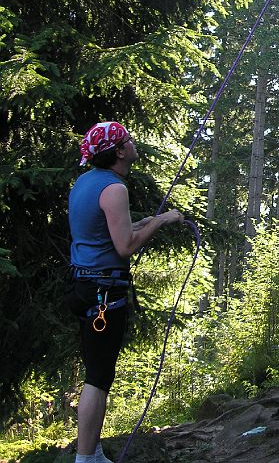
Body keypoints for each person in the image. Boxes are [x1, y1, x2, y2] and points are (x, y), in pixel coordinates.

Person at [65, 121, 183, 463]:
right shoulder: (115, 189)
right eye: (128, 139)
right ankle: (86, 458)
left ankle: (92, 451)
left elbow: (109, 231)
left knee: (97, 372)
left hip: (86, 286)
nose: (133, 143)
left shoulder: (86, 182)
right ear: (118, 151)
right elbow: (125, 246)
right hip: (104, 293)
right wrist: (160, 221)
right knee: (98, 378)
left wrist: (146, 221)